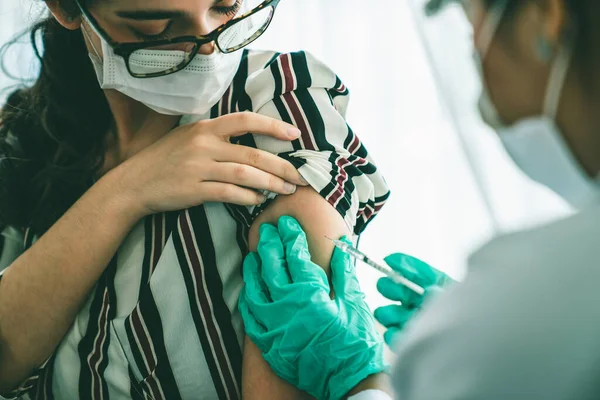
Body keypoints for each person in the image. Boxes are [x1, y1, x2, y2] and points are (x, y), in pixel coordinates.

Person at [0, 0, 391, 398]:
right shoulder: (30, 141)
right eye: (154, 24)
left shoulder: (275, 102)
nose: (209, 47)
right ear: (67, 8)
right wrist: (124, 191)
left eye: (226, 7)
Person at [239, 0, 600, 399]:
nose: (476, 62)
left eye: (472, 32)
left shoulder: (543, 286)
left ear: (545, 19)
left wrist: (359, 377)